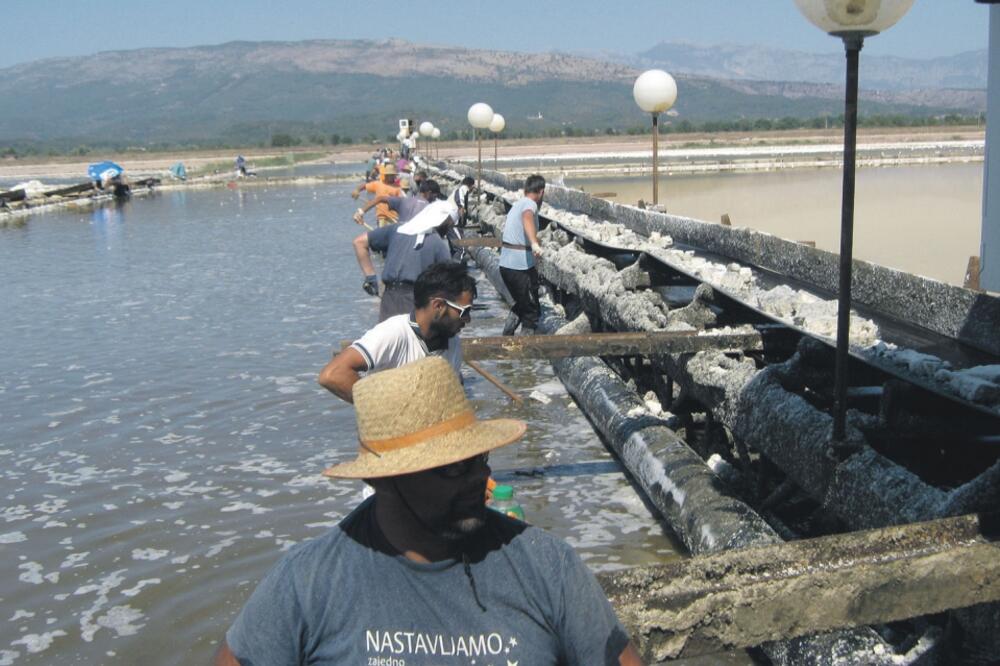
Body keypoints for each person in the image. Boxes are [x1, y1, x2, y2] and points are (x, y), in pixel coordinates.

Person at [217, 356, 644, 666]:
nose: (479, 477)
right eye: (454, 467)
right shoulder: (309, 584)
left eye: (480, 458)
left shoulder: (548, 568)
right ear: (381, 479)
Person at [318, 262, 476, 402]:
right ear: (438, 305)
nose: (468, 319)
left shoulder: (452, 341)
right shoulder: (393, 333)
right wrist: (389, 412)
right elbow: (332, 374)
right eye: (464, 312)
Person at [353, 198, 459, 321]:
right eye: (449, 226)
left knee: (388, 338)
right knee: (415, 338)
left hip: (389, 298)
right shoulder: (438, 243)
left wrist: (370, 277)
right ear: (442, 222)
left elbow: (359, 242)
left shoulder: (396, 230)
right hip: (416, 300)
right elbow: (449, 283)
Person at [499, 174, 545, 335]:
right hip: (518, 266)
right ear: (541, 192)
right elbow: (527, 218)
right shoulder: (530, 205)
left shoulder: (517, 204)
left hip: (507, 264)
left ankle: (506, 337)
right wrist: (534, 244)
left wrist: (535, 242)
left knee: (524, 302)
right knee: (531, 311)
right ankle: (527, 354)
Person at [354, 178, 441, 227]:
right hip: (385, 217)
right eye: (435, 197)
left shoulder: (405, 201)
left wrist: (360, 212)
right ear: (429, 194)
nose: (435, 200)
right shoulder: (431, 208)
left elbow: (379, 199)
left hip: (395, 225)